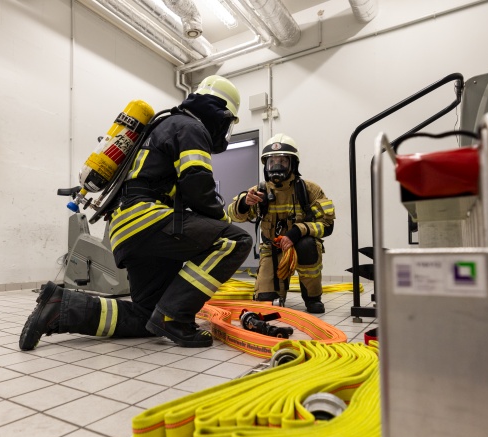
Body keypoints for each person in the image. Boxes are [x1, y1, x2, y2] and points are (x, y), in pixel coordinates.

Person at [19, 75, 252, 350]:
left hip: (126, 227)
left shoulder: (164, 126)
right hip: (147, 219)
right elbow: (197, 185)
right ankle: (175, 316)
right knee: (235, 240)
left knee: (147, 316)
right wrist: (224, 220)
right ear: (220, 114)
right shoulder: (191, 127)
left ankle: (60, 307)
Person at [228, 133, 335, 314]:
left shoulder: (309, 190)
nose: (276, 166)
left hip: (300, 245)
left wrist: (297, 232)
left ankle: (312, 297)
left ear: (293, 164)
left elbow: (327, 225)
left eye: (283, 161)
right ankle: (272, 290)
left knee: (308, 246)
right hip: (272, 248)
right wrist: (245, 203)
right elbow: (233, 215)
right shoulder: (258, 191)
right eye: (272, 162)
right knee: (265, 301)